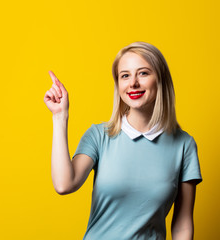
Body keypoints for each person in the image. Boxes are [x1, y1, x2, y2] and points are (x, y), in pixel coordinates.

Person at [43, 41, 203, 240]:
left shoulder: (184, 145)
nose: (133, 83)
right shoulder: (99, 135)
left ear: (160, 79)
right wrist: (59, 117)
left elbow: (182, 224)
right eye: (125, 75)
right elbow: (64, 184)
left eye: (143, 73)